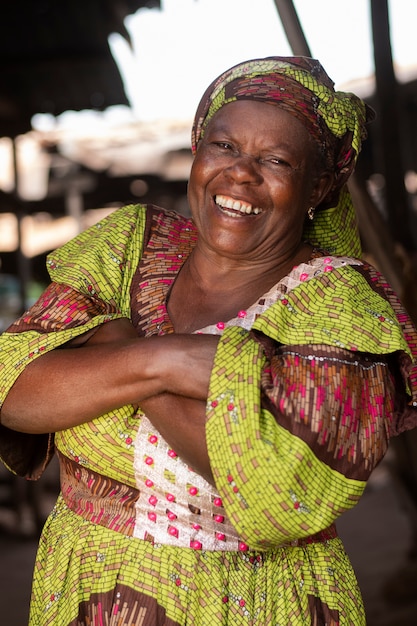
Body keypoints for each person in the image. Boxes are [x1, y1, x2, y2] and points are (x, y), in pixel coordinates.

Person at [0, 56, 416, 626]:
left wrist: (114, 350)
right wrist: (169, 361)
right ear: (197, 151)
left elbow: (276, 489)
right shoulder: (127, 246)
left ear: (318, 185)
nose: (241, 174)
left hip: (255, 605)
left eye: (275, 160)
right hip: (85, 592)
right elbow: (15, 394)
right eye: (224, 146)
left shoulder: (340, 307)